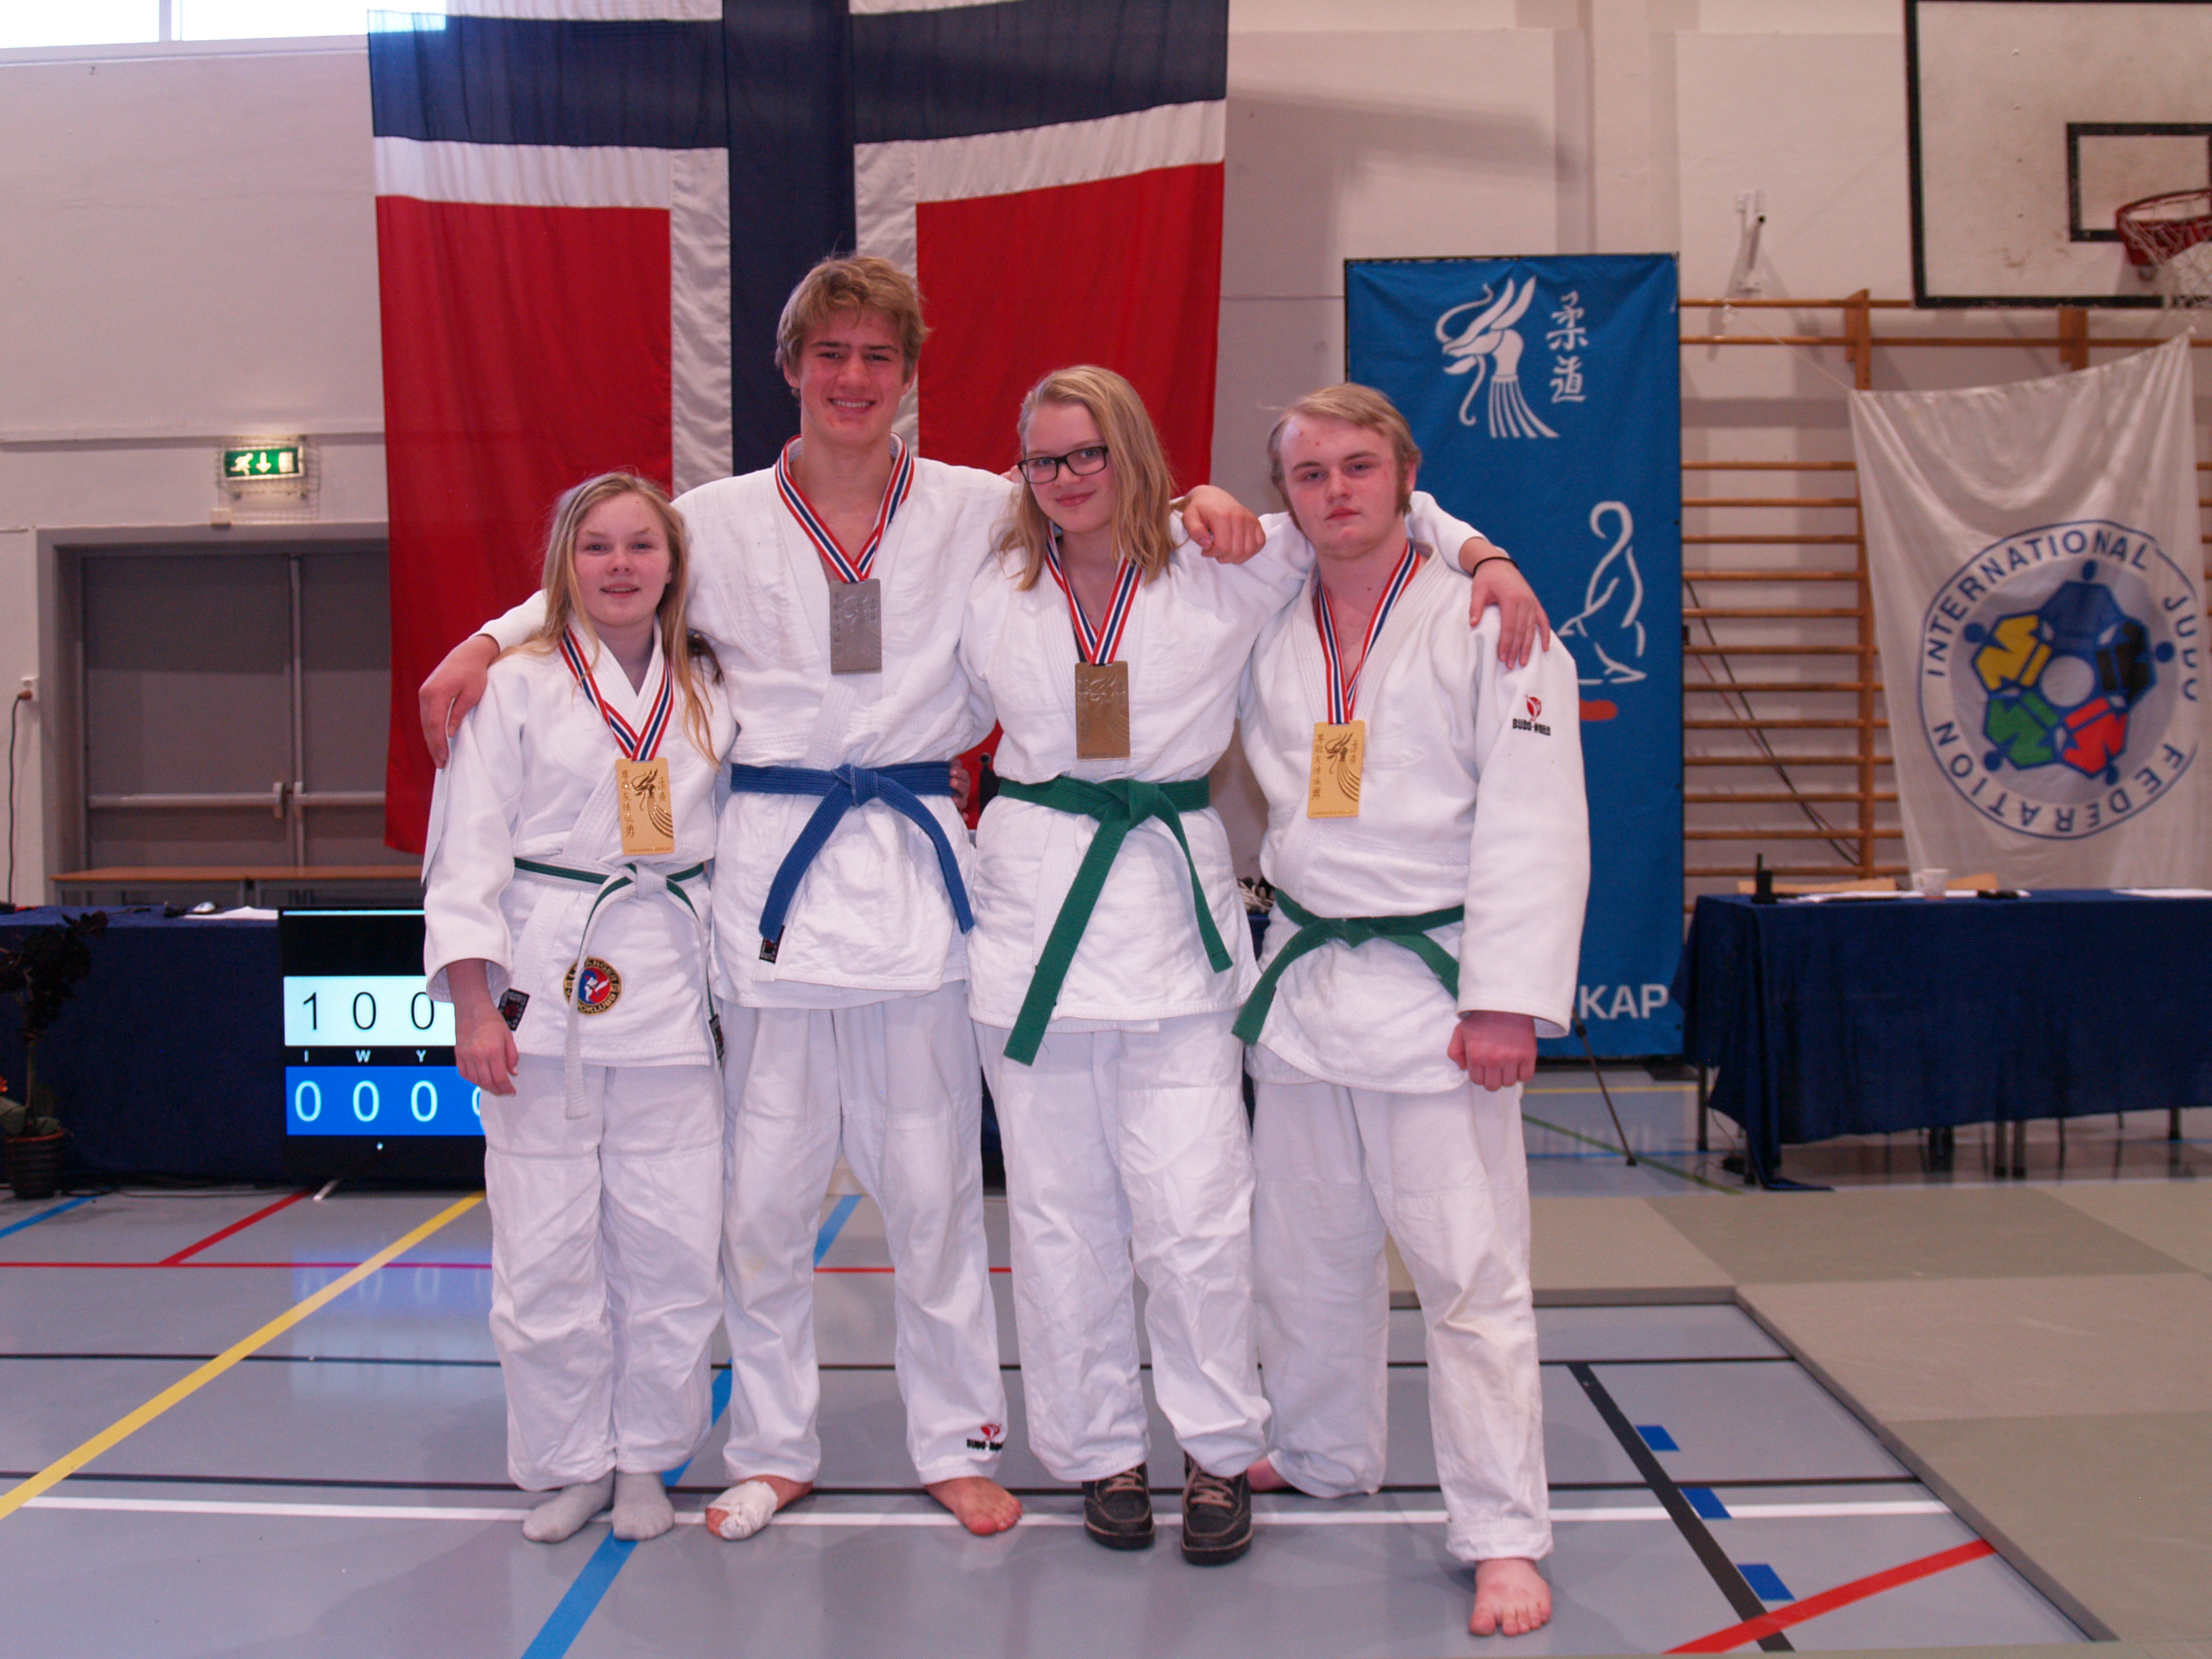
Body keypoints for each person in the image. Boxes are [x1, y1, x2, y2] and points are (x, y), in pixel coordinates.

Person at [415, 258, 1263, 1542]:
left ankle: (957, 1438)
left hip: (919, 882)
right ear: (791, 368)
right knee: (765, 1202)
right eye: (830, 355)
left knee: (933, 1191)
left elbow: (1114, 509)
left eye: (877, 357)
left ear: (909, 376)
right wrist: (487, 639)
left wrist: (1206, 499)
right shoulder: (715, 516)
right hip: (772, 884)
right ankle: (773, 1442)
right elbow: (601, 569)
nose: (853, 379)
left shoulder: (983, 505)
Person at [956, 366, 1546, 1566]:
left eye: (1090, 452)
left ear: (1135, 452)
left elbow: (1373, 507)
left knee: (1200, 1214)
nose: (1068, 478)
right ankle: (1098, 1450)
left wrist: (1486, 553)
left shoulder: (1222, 562)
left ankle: (1218, 1447)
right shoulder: (990, 584)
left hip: (1174, 931)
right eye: (1046, 459)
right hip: (1034, 923)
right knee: (1060, 1218)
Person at [1231, 385, 1588, 1637]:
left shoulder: (1492, 620)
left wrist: (1507, 1002)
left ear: (1406, 476)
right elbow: (1191, 534)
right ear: (1287, 496)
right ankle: (1324, 1449)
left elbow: (1538, 821)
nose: (1336, 492)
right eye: (1309, 474)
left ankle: (1503, 1533)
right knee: (1305, 1254)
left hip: (1440, 994)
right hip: (1307, 981)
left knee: (1468, 1275)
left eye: (1360, 467)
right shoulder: (1272, 610)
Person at [422, 472, 734, 1547]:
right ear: (564, 564)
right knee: (545, 1249)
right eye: (596, 546)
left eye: (642, 545)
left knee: (671, 1246)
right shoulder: (513, 685)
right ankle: (568, 1464)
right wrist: (474, 1010)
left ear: (674, 563)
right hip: (542, 988)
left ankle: (647, 1456)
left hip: (672, 992)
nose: (620, 566)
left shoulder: (713, 684)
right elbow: (464, 857)